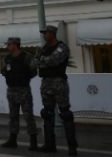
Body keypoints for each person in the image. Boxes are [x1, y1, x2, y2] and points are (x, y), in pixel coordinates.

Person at [33, 25, 78, 156]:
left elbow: (53, 60)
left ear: (52, 33)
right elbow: (34, 63)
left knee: (65, 114)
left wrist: (42, 60)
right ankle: (49, 144)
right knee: (47, 114)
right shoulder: (43, 49)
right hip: (46, 83)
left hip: (59, 83)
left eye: (46, 33)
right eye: (43, 33)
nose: (44, 35)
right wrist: (43, 61)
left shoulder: (62, 47)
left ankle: (72, 146)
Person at [1, 37, 38, 150]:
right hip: (11, 89)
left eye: (9, 44)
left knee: (28, 116)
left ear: (15, 45)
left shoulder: (26, 56)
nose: (8, 46)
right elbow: (5, 70)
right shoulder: (8, 58)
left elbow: (33, 71)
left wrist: (23, 77)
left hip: (23, 90)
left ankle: (33, 141)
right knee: (13, 116)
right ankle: (12, 139)